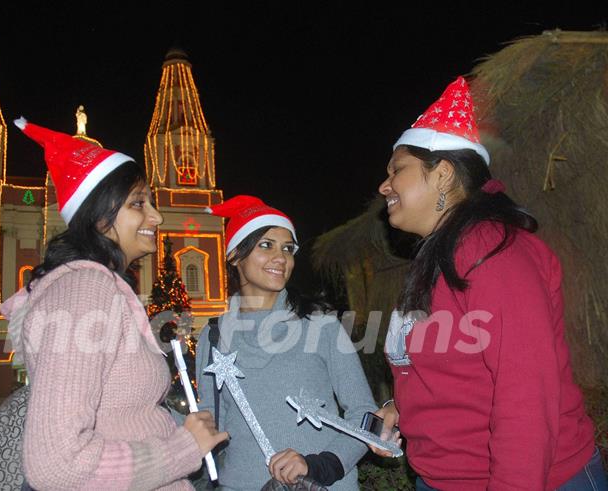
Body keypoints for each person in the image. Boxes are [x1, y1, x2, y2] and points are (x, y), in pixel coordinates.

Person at [373, 76, 607, 490]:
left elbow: (526, 399)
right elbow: (449, 373)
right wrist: (401, 408)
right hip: (448, 479)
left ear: (443, 173)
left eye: (398, 170)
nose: (384, 185)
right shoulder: (438, 255)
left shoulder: (494, 253)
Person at [0, 117, 227, 490]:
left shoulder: (100, 286)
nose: (156, 216)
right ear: (100, 215)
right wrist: (184, 448)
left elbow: (119, 415)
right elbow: (56, 464)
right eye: (139, 203)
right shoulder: (84, 289)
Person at [195, 195, 379, 490]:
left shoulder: (322, 326)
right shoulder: (213, 335)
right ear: (234, 256)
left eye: (288, 248)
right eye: (266, 245)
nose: (281, 258)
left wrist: (321, 464)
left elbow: (365, 414)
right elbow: (208, 422)